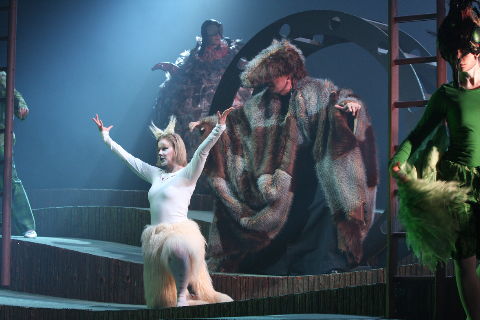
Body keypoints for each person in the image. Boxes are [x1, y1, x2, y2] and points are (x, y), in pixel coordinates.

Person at [193, 39, 378, 275]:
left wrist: (349, 105)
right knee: (262, 211)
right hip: (281, 175)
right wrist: (209, 125)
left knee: (327, 206)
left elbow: (339, 99)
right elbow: (237, 122)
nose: (269, 83)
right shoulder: (262, 102)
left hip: (315, 170)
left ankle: (324, 264)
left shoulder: (317, 90)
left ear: (288, 73)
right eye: (266, 79)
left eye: (273, 77)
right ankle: (268, 264)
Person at [92, 107, 234, 308]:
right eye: (158, 149)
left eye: (164, 148)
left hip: (178, 232)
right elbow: (129, 159)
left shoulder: (187, 174)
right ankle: (187, 300)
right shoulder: (155, 175)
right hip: (155, 238)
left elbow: (203, 151)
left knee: (176, 247)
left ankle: (183, 296)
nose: (159, 152)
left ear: (176, 150)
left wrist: (218, 128)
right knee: (160, 304)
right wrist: (106, 137)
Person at [390, 1, 480, 318]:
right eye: (452, 53)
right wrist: (398, 161)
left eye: (463, 52)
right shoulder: (446, 95)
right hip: (457, 186)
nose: (458, 59)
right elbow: (417, 135)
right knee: (464, 257)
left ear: (477, 48)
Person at [152, 19, 250, 160]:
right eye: (212, 33)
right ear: (205, 35)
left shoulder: (233, 48)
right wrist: (171, 69)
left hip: (230, 94)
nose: (217, 36)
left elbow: (248, 63)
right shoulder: (197, 54)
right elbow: (187, 76)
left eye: (218, 31)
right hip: (204, 102)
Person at [0, 71, 36, 238]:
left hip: (1, 137)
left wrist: (21, 106)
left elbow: (14, 95)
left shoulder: (1, 77)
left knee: (10, 178)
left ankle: (27, 225)